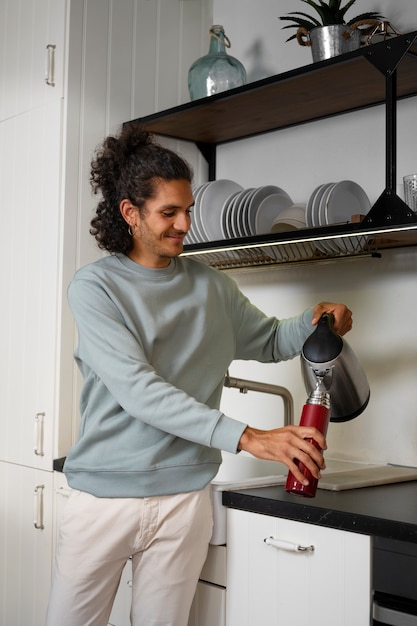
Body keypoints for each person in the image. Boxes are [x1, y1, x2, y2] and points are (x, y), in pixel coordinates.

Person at [46, 124, 352, 626]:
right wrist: (250, 437)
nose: (184, 224)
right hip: (104, 498)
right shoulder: (96, 288)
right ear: (131, 213)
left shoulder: (211, 286)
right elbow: (139, 391)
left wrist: (315, 318)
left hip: (185, 499)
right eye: (169, 212)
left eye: (187, 210)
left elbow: (270, 339)